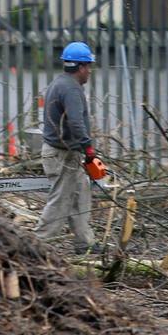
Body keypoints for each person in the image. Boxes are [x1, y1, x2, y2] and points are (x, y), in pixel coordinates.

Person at [35, 41, 101, 255]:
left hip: (68, 153)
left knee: (81, 194)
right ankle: (38, 244)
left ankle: (85, 242)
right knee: (61, 201)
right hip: (62, 154)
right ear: (81, 67)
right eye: (88, 67)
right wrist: (88, 148)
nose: (89, 71)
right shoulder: (71, 89)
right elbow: (75, 122)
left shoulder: (60, 83)